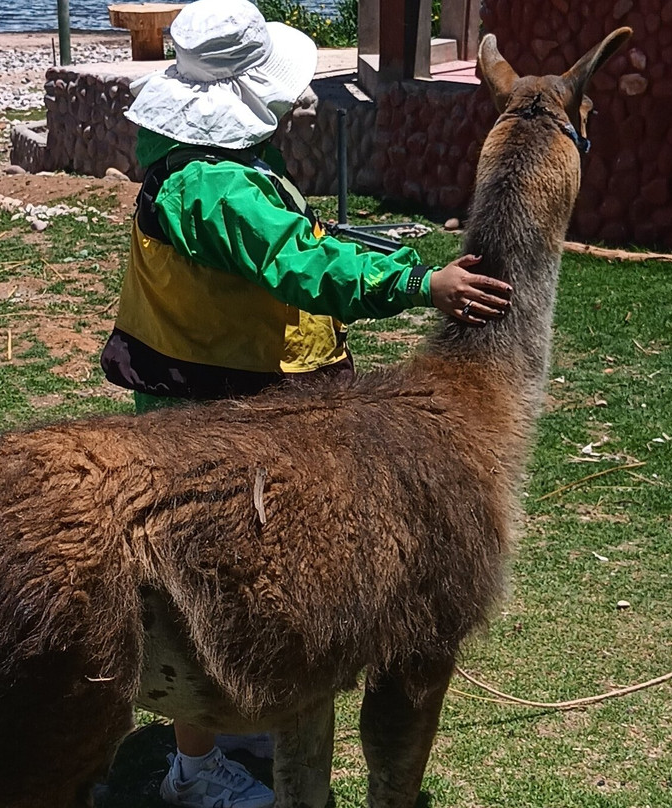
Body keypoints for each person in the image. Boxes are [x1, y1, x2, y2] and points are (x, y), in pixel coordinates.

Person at [100, 1, 512, 806]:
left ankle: (241, 719)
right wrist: (419, 283)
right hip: (226, 416)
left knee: (237, 581)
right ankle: (196, 767)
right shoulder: (219, 189)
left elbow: (281, 246)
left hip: (219, 398)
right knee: (212, 585)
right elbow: (295, 264)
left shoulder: (197, 170)